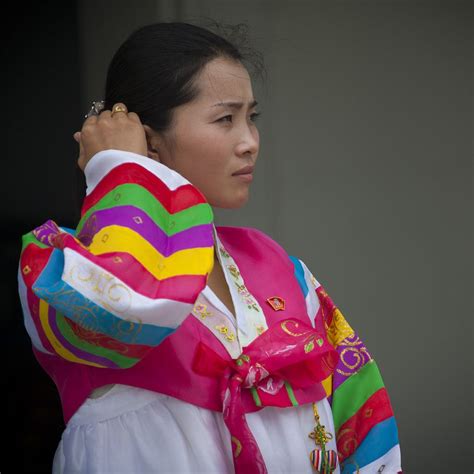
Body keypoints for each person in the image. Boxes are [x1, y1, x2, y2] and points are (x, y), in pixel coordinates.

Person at [18, 21, 403, 474]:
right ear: (148, 137)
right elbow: (121, 307)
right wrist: (120, 167)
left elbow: (363, 418)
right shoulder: (59, 270)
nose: (251, 142)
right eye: (225, 119)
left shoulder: (280, 268)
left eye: (251, 118)